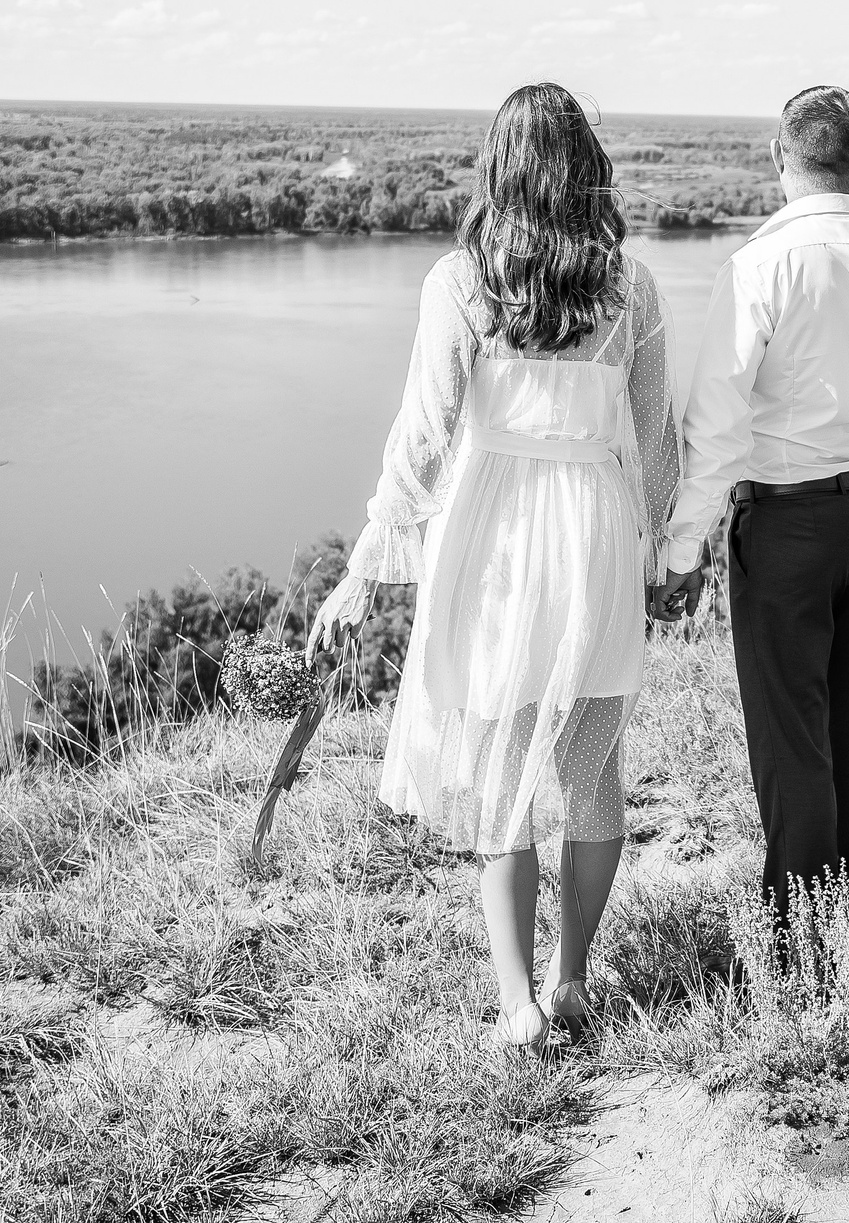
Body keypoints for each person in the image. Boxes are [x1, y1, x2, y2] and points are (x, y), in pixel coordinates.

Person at [311, 82, 678, 1052]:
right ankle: (572, 977)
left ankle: (518, 1002)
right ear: (586, 162)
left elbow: (425, 432)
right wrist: (663, 549)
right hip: (594, 530)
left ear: (499, 169)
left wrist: (369, 556)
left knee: (503, 769)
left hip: (498, 536)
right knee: (592, 771)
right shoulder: (630, 285)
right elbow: (657, 439)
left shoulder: (462, 280)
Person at [652, 85, 849, 913]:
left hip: (787, 520)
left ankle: (799, 934)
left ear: (777, 158)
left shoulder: (759, 266)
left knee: (792, 734)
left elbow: (715, 426)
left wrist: (682, 548)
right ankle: (841, 906)